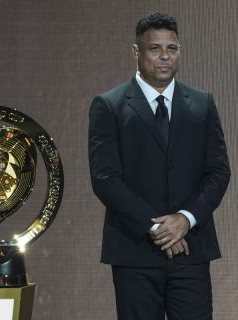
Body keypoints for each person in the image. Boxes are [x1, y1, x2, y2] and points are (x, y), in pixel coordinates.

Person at [88, 12, 230, 320]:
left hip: (191, 249)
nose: (165, 57)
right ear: (136, 52)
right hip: (134, 252)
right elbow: (105, 179)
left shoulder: (202, 104)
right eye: (155, 49)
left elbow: (219, 171)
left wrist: (185, 219)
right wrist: (157, 227)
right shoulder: (109, 106)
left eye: (172, 48)